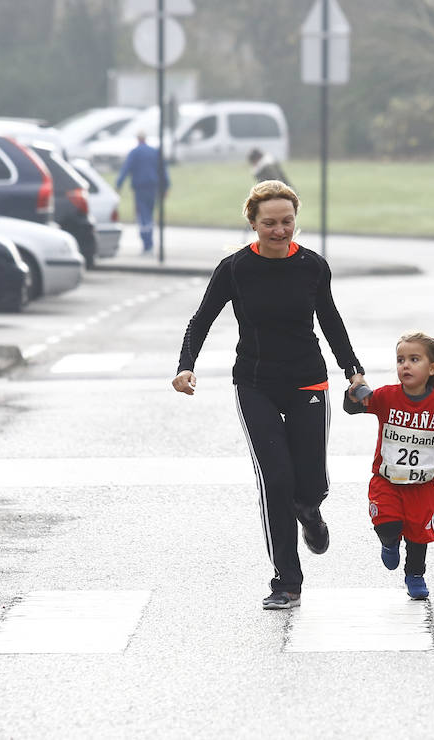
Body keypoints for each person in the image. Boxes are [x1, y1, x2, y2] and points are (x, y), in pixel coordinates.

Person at [171, 179, 365, 610]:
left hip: (308, 381)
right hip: (255, 383)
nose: (279, 230)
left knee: (308, 485)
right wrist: (186, 365)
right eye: (269, 223)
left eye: (287, 222)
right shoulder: (236, 268)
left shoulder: (313, 266)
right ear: (254, 224)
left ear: (295, 221)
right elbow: (201, 320)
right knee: (276, 479)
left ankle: (311, 513)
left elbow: (330, 320)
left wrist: (352, 370)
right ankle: (286, 582)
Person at [345, 332, 434, 600]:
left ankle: (415, 575)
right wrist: (352, 395)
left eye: (414, 359)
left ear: (433, 367)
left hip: (422, 486)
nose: (405, 365)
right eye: (400, 360)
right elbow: (353, 408)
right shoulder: (387, 396)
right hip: (387, 480)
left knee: (418, 538)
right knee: (388, 525)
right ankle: (389, 542)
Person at [116, 131, 169, 254]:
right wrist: (166, 186)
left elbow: (126, 169)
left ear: (138, 139)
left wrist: (119, 184)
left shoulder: (134, 153)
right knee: (149, 213)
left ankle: (147, 242)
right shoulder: (154, 152)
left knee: (143, 214)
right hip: (152, 187)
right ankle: (149, 241)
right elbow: (163, 170)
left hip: (140, 188)